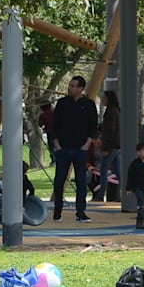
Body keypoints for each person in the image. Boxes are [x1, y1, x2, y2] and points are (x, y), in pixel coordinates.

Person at [50, 75, 98, 223]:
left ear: (81, 88)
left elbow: (93, 126)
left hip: (80, 149)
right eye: (70, 85)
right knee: (59, 181)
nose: (69, 88)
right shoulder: (62, 103)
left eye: (73, 86)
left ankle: (81, 212)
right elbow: (54, 125)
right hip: (63, 148)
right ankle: (57, 212)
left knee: (81, 181)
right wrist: (56, 145)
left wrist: (86, 145)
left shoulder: (89, 105)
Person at [98, 90, 120, 201]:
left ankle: (101, 195)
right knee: (118, 170)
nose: (102, 100)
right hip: (116, 145)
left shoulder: (111, 112)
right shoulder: (114, 111)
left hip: (111, 145)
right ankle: (124, 192)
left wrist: (105, 147)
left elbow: (110, 130)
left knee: (103, 169)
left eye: (104, 98)